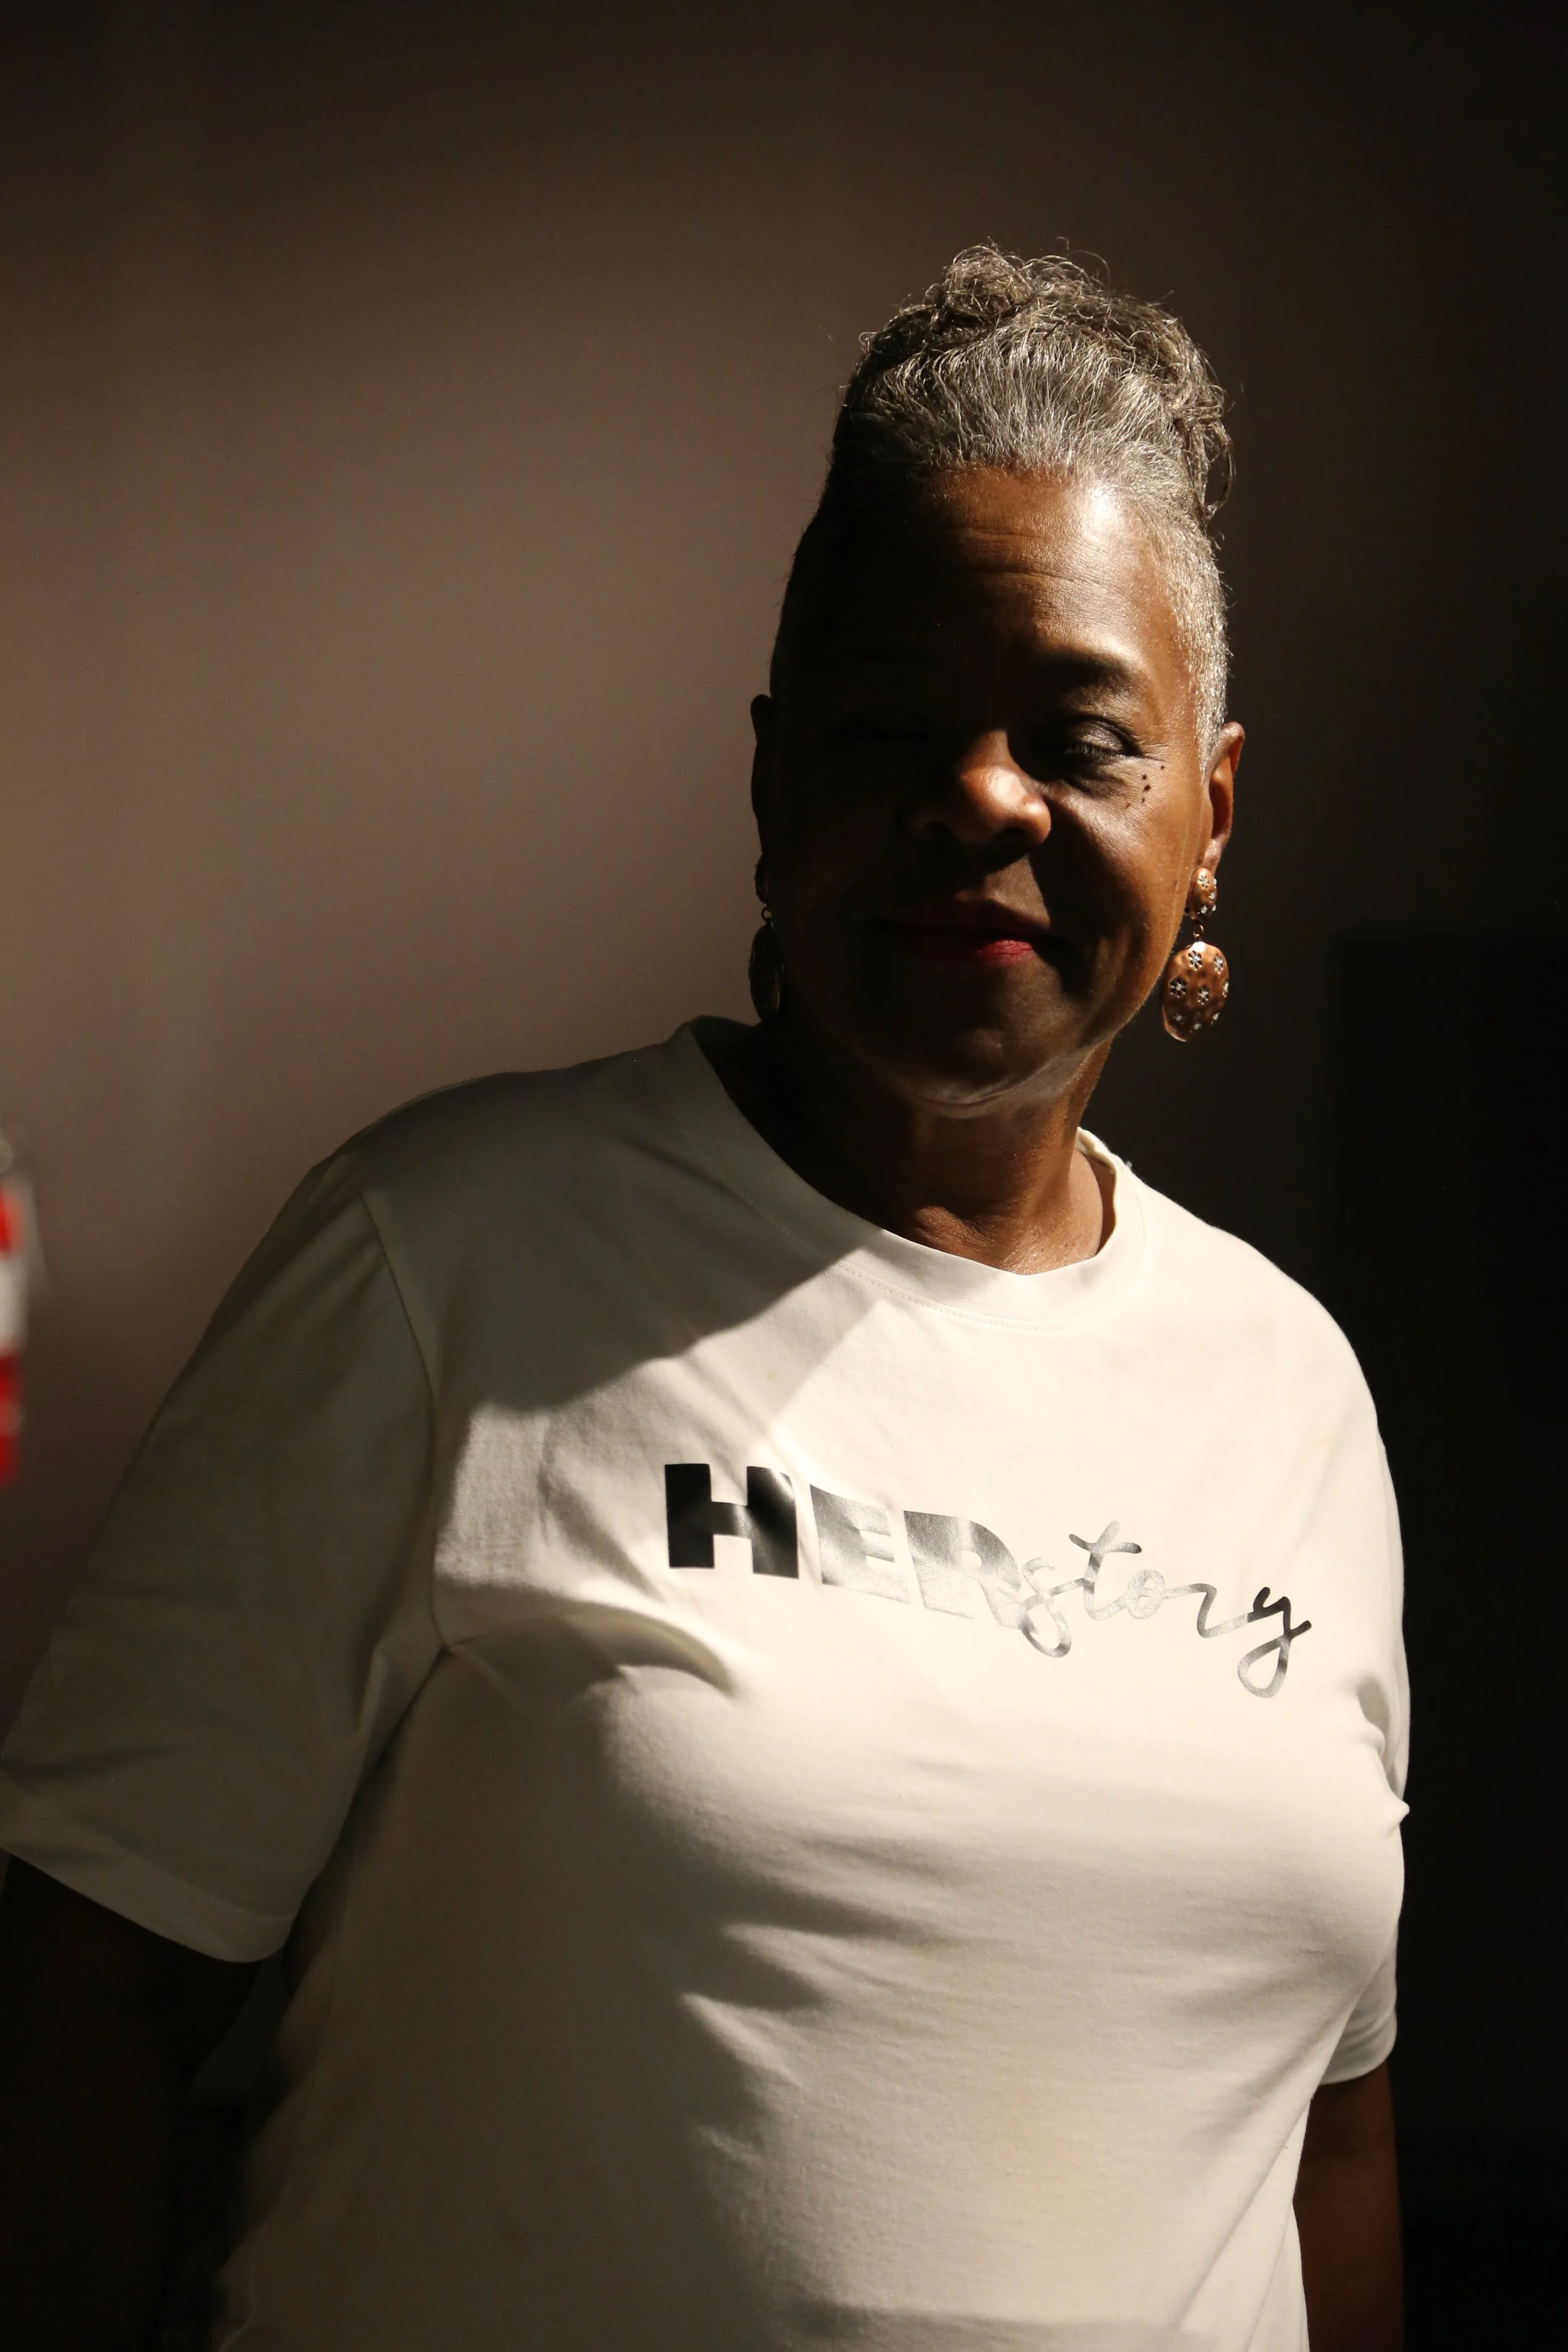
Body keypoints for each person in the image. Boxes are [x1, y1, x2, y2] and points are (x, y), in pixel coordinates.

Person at [0, 248, 1406, 2352]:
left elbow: (1325, 2146)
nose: (983, 796)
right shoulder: (440, 1256)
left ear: (1206, 813)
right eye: (887, 723)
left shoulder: (1287, 1389)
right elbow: (80, 2004)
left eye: (1078, 732)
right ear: (770, 779)